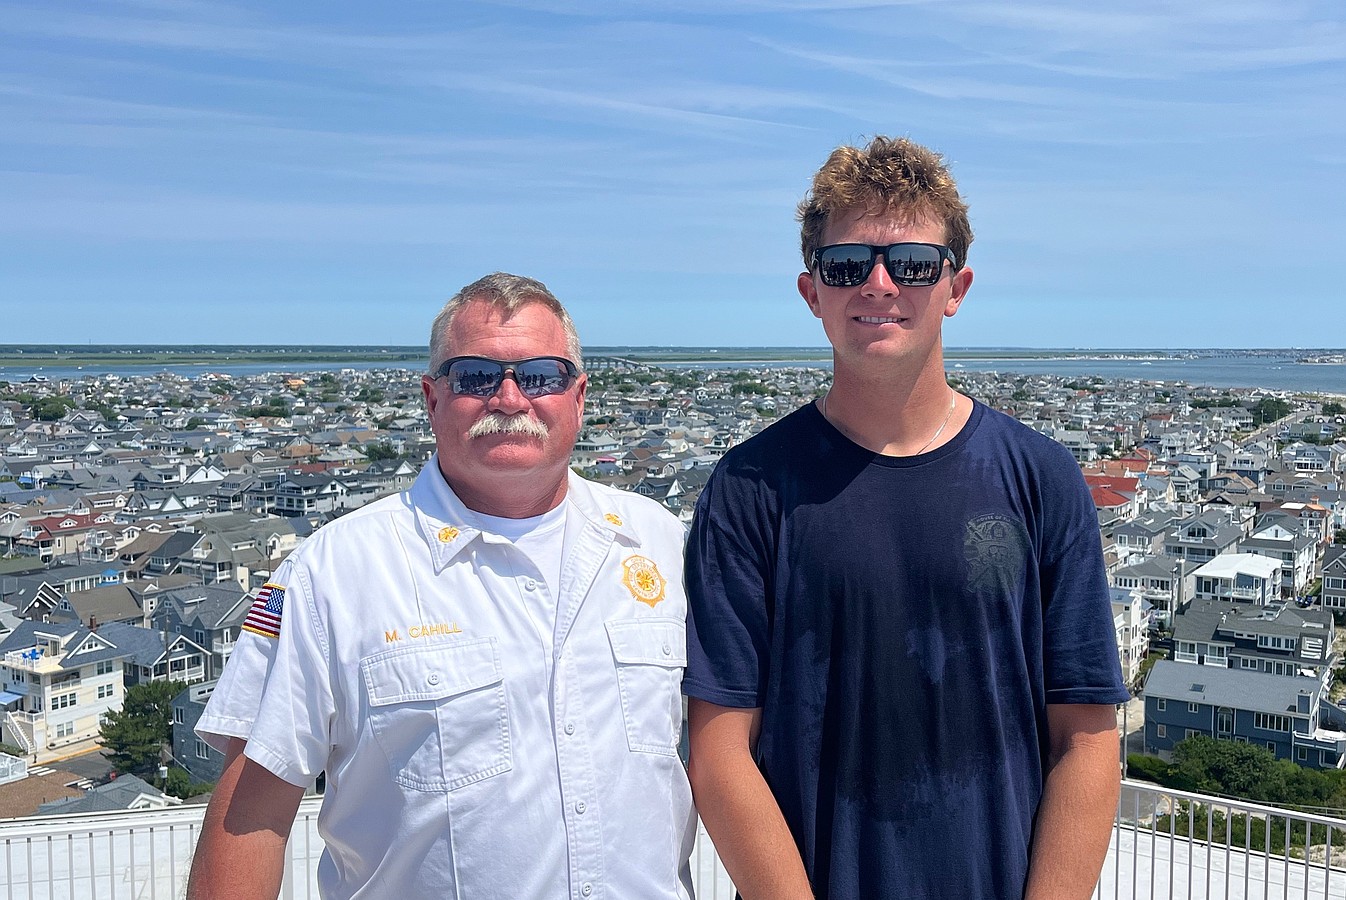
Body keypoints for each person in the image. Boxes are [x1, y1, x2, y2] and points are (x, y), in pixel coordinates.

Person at [682, 137, 1129, 899]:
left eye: (914, 263)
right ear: (811, 290)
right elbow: (720, 751)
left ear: (956, 287)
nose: (880, 284)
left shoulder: (1041, 477)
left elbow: (1086, 738)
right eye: (847, 264)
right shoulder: (750, 487)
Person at [188, 273, 696, 899]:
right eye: (476, 377)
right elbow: (251, 814)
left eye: (540, 375)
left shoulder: (661, 542)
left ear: (579, 396)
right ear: (431, 398)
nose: (510, 398)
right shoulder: (335, 572)